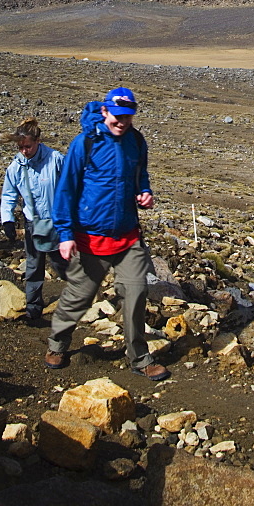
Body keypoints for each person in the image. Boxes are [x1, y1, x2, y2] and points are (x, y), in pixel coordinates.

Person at [44, 87, 169, 381]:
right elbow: (66, 189)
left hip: (127, 235)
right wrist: (65, 233)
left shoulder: (136, 142)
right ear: (104, 112)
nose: (122, 122)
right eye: (117, 116)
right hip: (90, 237)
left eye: (128, 116)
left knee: (136, 291)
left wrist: (145, 192)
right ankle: (57, 344)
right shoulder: (85, 143)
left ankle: (139, 358)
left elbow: (142, 175)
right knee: (79, 296)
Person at [0, 118, 67, 324]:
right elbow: (9, 195)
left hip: (57, 224)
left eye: (27, 146)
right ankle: (33, 308)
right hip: (32, 224)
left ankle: (80, 297)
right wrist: (7, 220)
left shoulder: (55, 159)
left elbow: (71, 187)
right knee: (33, 265)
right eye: (20, 147)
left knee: (62, 264)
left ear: (38, 141)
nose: (24, 151)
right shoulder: (16, 167)